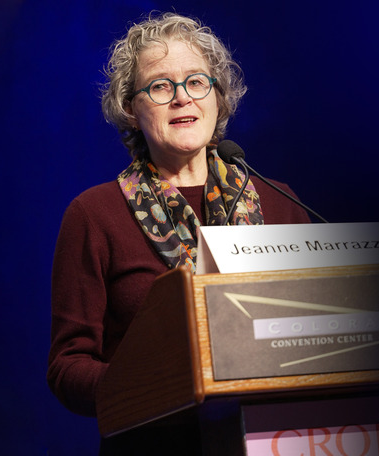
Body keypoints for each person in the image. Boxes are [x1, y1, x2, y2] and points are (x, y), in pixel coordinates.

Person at [47, 12, 311, 454]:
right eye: (161, 86)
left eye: (196, 82)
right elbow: (66, 367)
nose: (182, 98)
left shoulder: (280, 201)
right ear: (131, 109)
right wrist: (148, 385)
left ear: (218, 98)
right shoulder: (93, 215)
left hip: (275, 439)